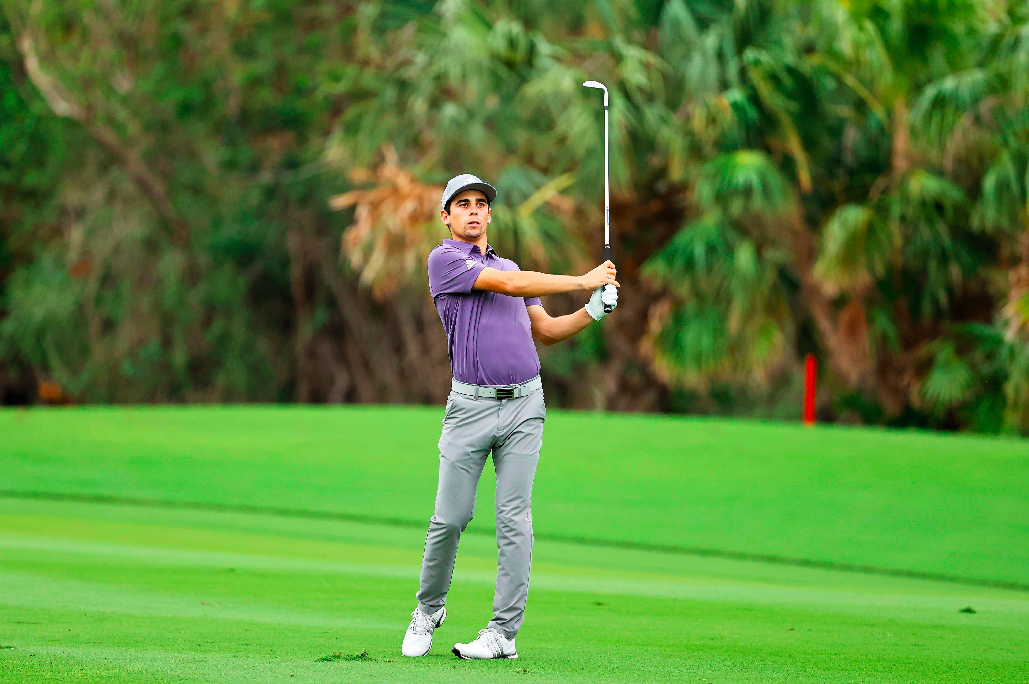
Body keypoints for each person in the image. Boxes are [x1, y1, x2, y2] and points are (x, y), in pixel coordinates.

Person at [401, 174, 619, 660]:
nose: (473, 211)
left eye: (481, 204)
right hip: (469, 408)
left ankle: (503, 634)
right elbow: (508, 283)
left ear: (490, 214)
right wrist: (583, 279)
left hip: (525, 405)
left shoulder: (510, 264)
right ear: (447, 216)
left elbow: (546, 330)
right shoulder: (446, 261)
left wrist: (593, 310)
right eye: (463, 205)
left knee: (514, 519)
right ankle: (428, 609)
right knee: (450, 518)